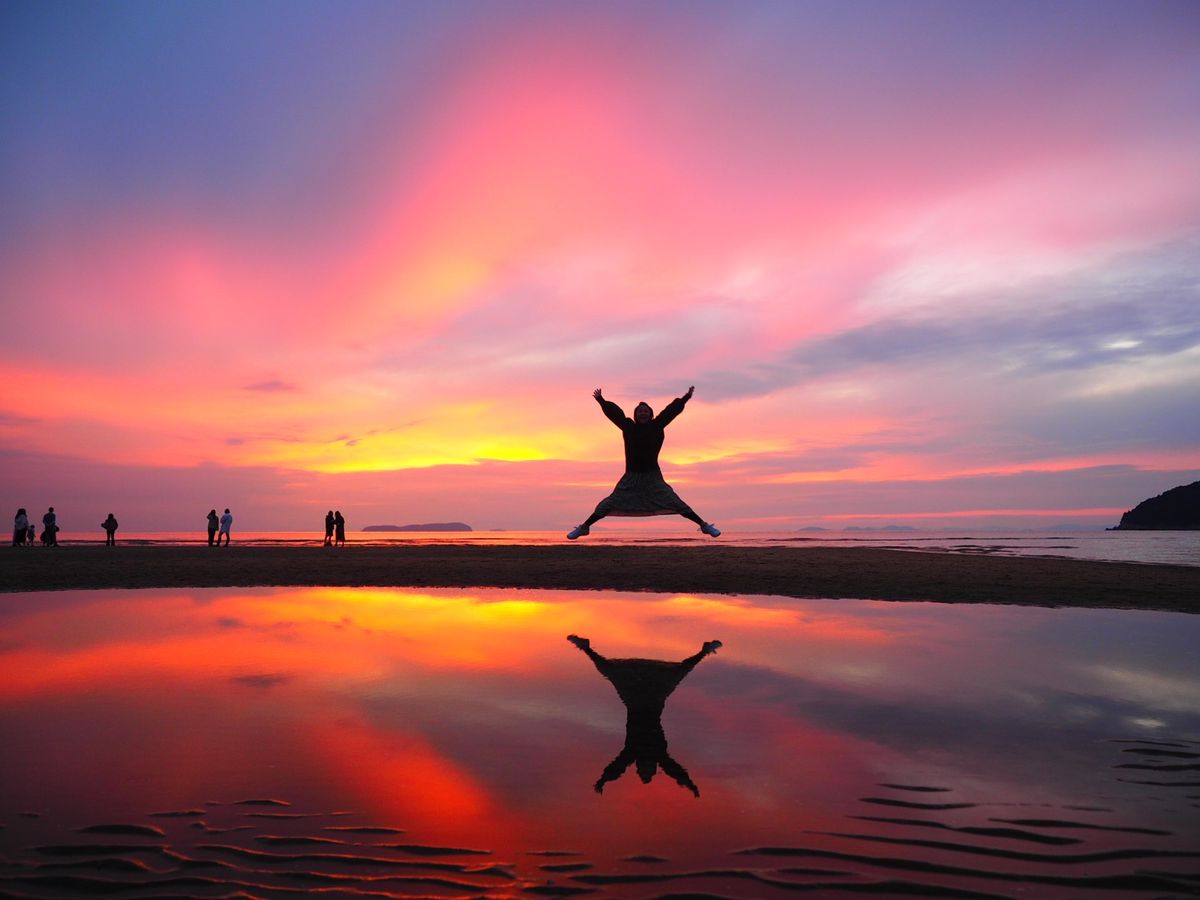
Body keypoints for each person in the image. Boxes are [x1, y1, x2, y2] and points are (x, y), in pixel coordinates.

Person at [567, 635, 722, 796]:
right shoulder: (659, 755)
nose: (646, 767)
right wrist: (690, 785)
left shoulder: (632, 752)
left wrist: (603, 780)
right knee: (679, 671)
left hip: (635, 701)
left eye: (643, 769)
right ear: (654, 766)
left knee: (611, 670)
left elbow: (618, 767)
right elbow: (673, 769)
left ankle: (586, 648)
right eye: (649, 770)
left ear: (638, 765)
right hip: (653, 700)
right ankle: (704, 652)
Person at [567, 386, 720, 540]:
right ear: (635, 415)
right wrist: (601, 401)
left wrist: (686, 397)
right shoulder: (628, 427)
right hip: (631, 477)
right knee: (609, 504)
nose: (642, 412)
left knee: (675, 502)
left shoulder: (657, 425)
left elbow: (670, 411)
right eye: (639, 411)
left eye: (645, 410)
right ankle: (584, 527)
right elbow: (616, 415)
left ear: (651, 414)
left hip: (653, 476)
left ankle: (704, 525)